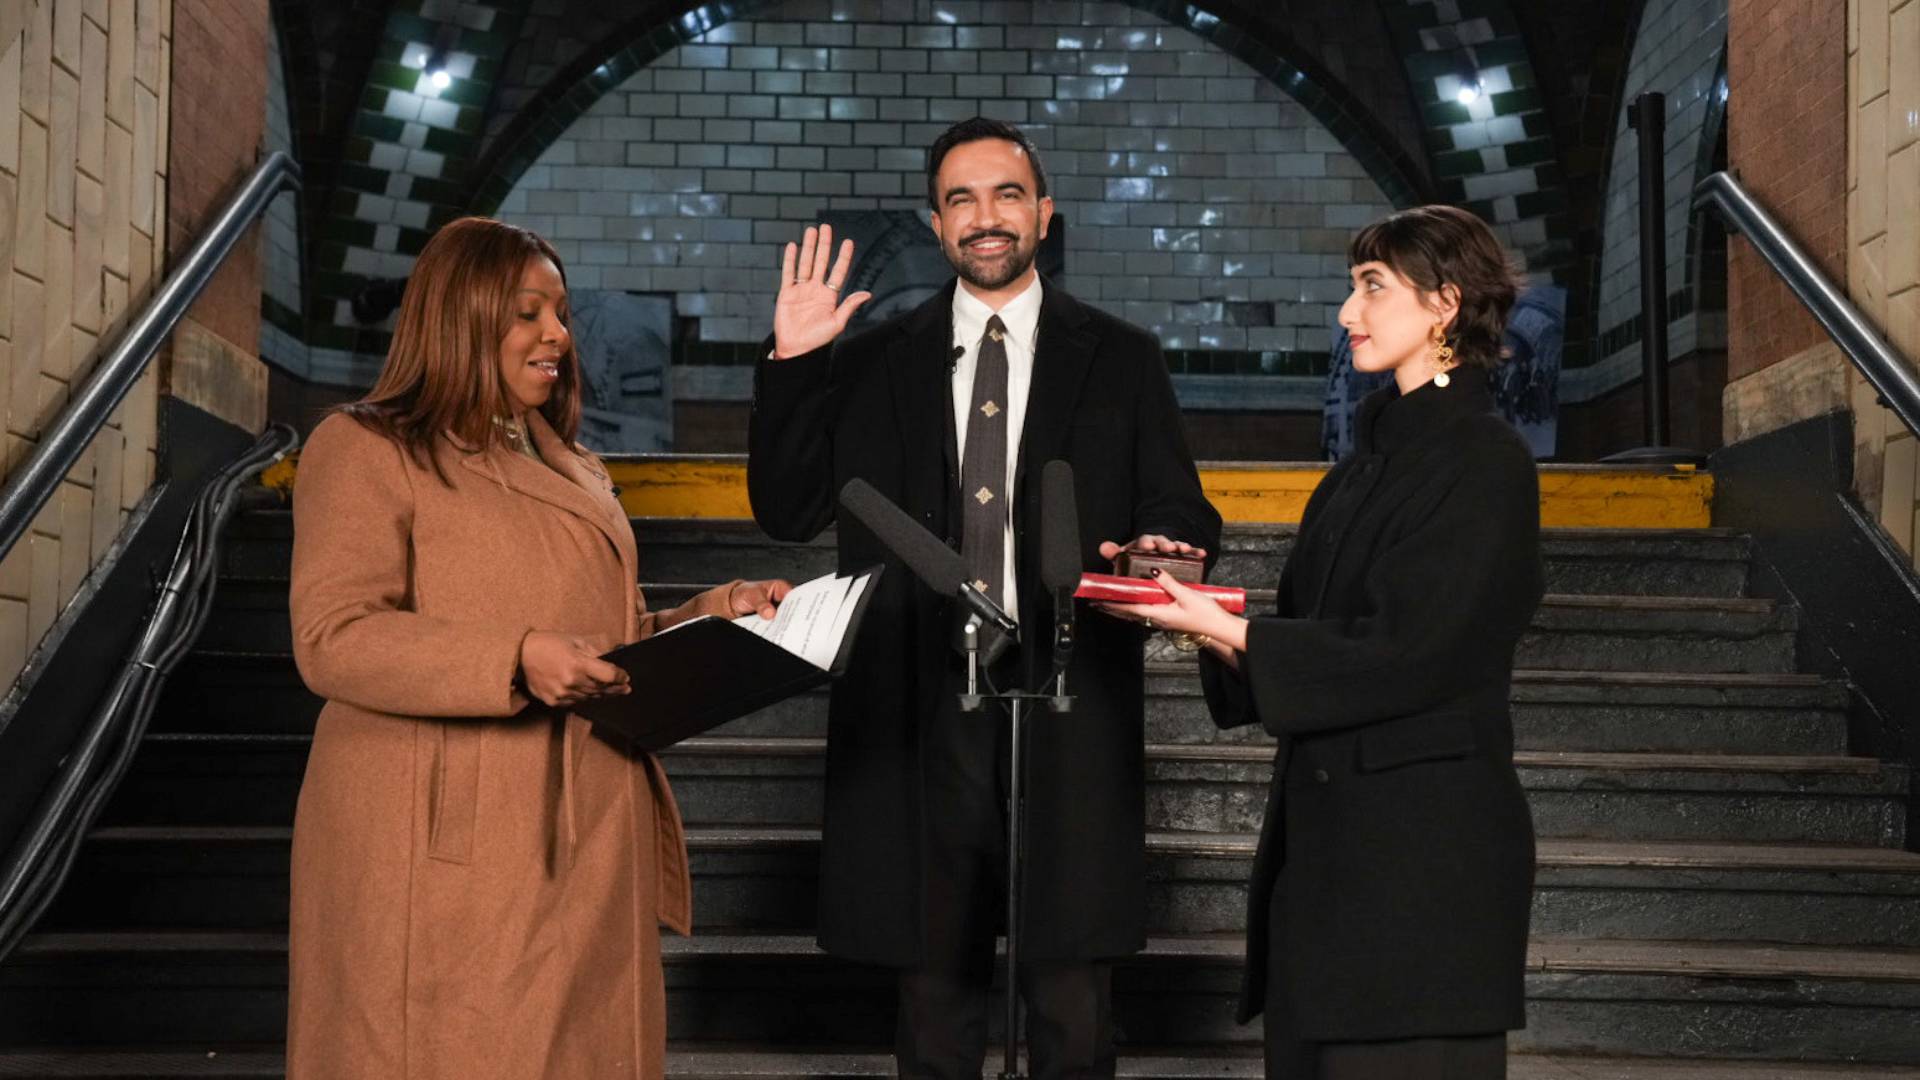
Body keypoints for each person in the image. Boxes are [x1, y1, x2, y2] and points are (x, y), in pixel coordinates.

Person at [747, 117, 1221, 1079]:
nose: (986, 216)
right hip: (915, 699)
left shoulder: (1123, 356)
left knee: (1071, 985)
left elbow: (1178, 503)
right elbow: (787, 506)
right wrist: (794, 363)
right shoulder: (874, 355)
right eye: (961, 198)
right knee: (931, 982)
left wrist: (1166, 545)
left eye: (1007, 193)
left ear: (1044, 213)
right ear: (935, 224)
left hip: (1068, 691)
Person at [286, 217, 790, 1080]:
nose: (558, 334)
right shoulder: (366, 448)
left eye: (558, 312)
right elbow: (333, 639)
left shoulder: (575, 466)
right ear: (460, 316)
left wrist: (716, 614)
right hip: (447, 840)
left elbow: (610, 643)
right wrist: (513, 657)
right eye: (527, 313)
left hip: (585, 823)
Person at [1100, 205, 1543, 1079]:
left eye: (1372, 287)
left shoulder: (1486, 462)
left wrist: (1228, 628)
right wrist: (1188, 601)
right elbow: (1306, 642)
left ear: (1445, 303)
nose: (1347, 313)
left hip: (1422, 884)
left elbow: (1414, 652)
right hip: (1326, 886)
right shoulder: (1353, 476)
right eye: (1353, 287)